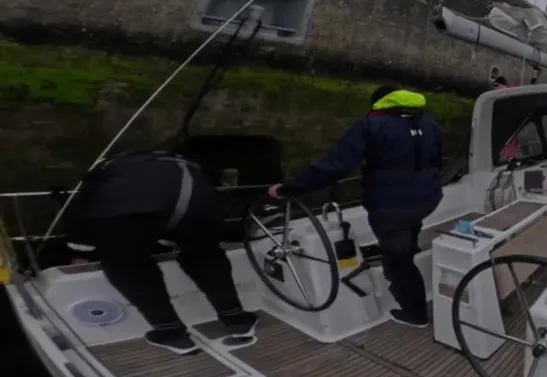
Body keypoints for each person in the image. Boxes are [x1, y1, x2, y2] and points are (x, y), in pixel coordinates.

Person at [269, 85, 444, 328]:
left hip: (391, 206)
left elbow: (333, 165)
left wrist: (289, 189)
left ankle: (416, 315)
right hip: (427, 199)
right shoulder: (429, 122)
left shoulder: (373, 125)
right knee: (408, 237)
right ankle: (407, 258)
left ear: (380, 103)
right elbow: (437, 161)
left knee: (398, 260)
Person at [69, 148, 257, 355]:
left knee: (127, 262)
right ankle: (237, 319)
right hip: (196, 199)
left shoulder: (107, 168)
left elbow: (84, 209)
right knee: (205, 253)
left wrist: (81, 251)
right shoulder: (185, 162)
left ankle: (171, 333)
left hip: (128, 208)